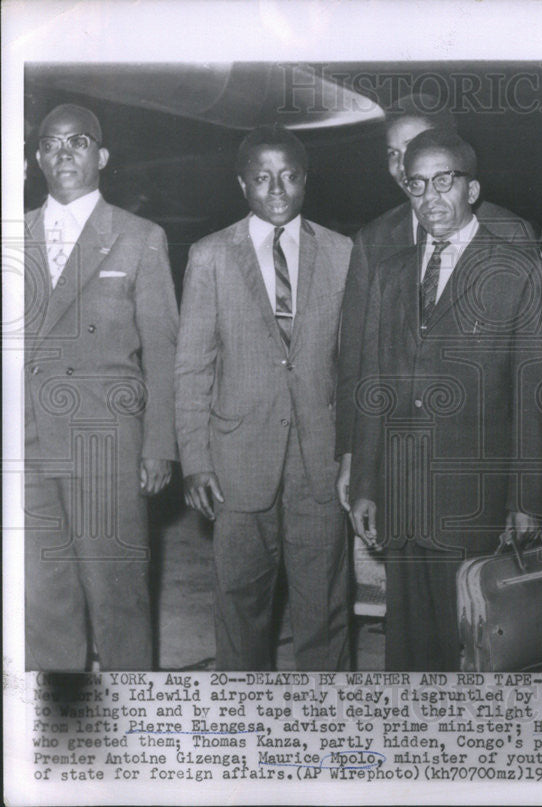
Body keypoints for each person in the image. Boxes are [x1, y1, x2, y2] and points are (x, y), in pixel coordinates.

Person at [349, 128, 542, 670]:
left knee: (469, 648)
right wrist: (366, 484)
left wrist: (527, 501)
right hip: (400, 494)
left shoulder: (518, 271)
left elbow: (534, 395)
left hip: (474, 502)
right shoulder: (391, 273)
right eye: (416, 186)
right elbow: (373, 383)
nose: (430, 198)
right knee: (405, 647)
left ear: (472, 189)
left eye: (444, 182)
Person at [175, 125, 352, 670]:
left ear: (306, 180)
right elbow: (192, 366)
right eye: (261, 177)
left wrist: (354, 457)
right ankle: (243, 733)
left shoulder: (344, 253)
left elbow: (352, 369)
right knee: (239, 609)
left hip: (318, 466)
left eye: (289, 176)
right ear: (242, 184)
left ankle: (328, 733)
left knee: (324, 611)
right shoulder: (210, 256)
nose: (276, 189)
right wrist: (195, 460)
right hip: (236, 462)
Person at [23, 103, 178, 670]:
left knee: (117, 595)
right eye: (52, 143)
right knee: (44, 598)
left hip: (105, 441)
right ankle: (61, 725)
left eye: (79, 142)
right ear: (37, 157)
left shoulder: (139, 237)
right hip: (28, 443)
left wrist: (160, 444)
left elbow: (163, 348)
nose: (64, 152)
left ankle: (133, 725)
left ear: (102, 157)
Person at [335, 94, 536, 510]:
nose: (402, 164)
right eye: (393, 154)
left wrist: (525, 501)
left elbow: (527, 381)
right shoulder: (373, 240)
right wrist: (353, 456)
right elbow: (358, 358)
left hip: (471, 475)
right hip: (398, 469)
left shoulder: (510, 232)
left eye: (413, 148)